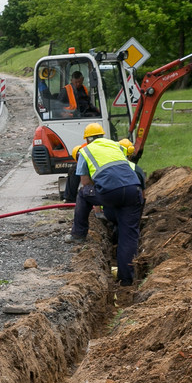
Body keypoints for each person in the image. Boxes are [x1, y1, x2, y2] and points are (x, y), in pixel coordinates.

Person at [65, 123, 145, 287]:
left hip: (110, 192)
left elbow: (86, 183)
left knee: (83, 193)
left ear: (87, 139)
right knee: (128, 236)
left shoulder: (85, 151)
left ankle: (78, 234)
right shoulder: (116, 146)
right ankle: (126, 280)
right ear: (103, 136)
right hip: (133, 190)